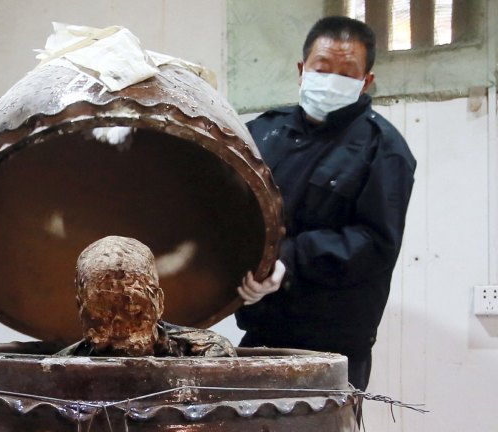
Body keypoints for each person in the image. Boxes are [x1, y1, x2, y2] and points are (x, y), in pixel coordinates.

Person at [234, 16, 416, 391]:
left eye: (347, 73)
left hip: (333, 348)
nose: (332, 79)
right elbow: (232, 210)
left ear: (367, 81)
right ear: (302, 71)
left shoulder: (384, 149)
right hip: (261, 333)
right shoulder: (262, 132)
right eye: (322, 68)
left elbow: (375, 242)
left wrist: (290, 260)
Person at [57, 236, 237, 358]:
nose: (119, 329)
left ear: (158, 303)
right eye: (102, 313)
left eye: (134, 311)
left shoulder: (206, 353)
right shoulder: (60, 369)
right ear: (80, 308)